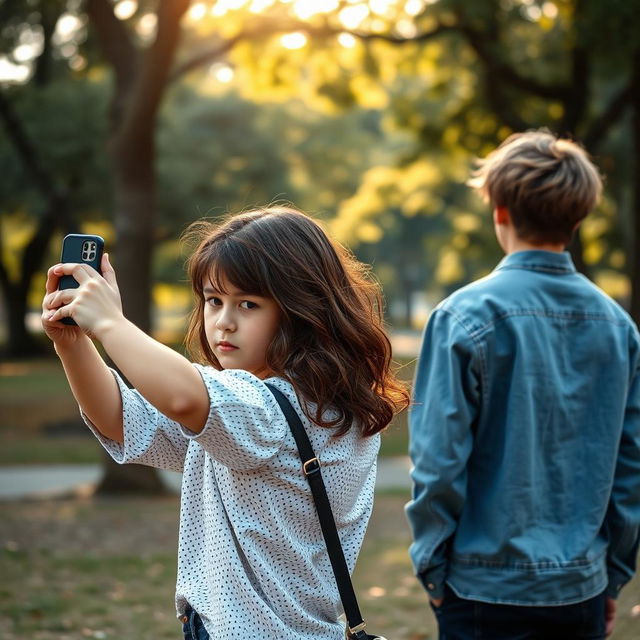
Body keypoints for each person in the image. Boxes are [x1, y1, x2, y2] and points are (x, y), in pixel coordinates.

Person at [41, 206, 409, 640]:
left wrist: (110, 323)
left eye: (248, 304)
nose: (223, 322)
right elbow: (122, 421)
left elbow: (181, 397)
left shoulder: (274, 412)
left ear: (302, 309)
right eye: (214, 300)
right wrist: (73, 344)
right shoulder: (283, 408)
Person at [406, 130, 640, 639]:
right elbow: (630, 465)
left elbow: (438, 461)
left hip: (480, 590)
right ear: (577, 219)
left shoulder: (462, 316)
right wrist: (614, 577)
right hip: (582, 587)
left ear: (500, 210)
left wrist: (431, 565)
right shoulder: (619, 327)